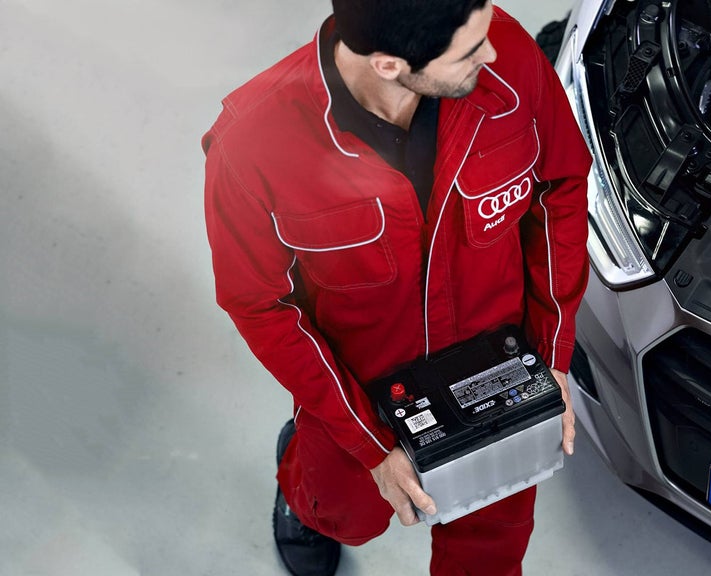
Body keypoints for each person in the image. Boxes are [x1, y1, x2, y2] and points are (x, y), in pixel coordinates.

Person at [202, 1, 592, 574]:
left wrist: (552, 355)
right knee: (342, 514)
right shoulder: (254, 145)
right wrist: (368, 444)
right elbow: (259, 304)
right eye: (467, 52)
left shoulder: (502, 48)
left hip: (499, 368)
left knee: (492, 545)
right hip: (364, 394)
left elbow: (559, 185)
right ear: (388, 64)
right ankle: (300, 474)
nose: (493, 53)